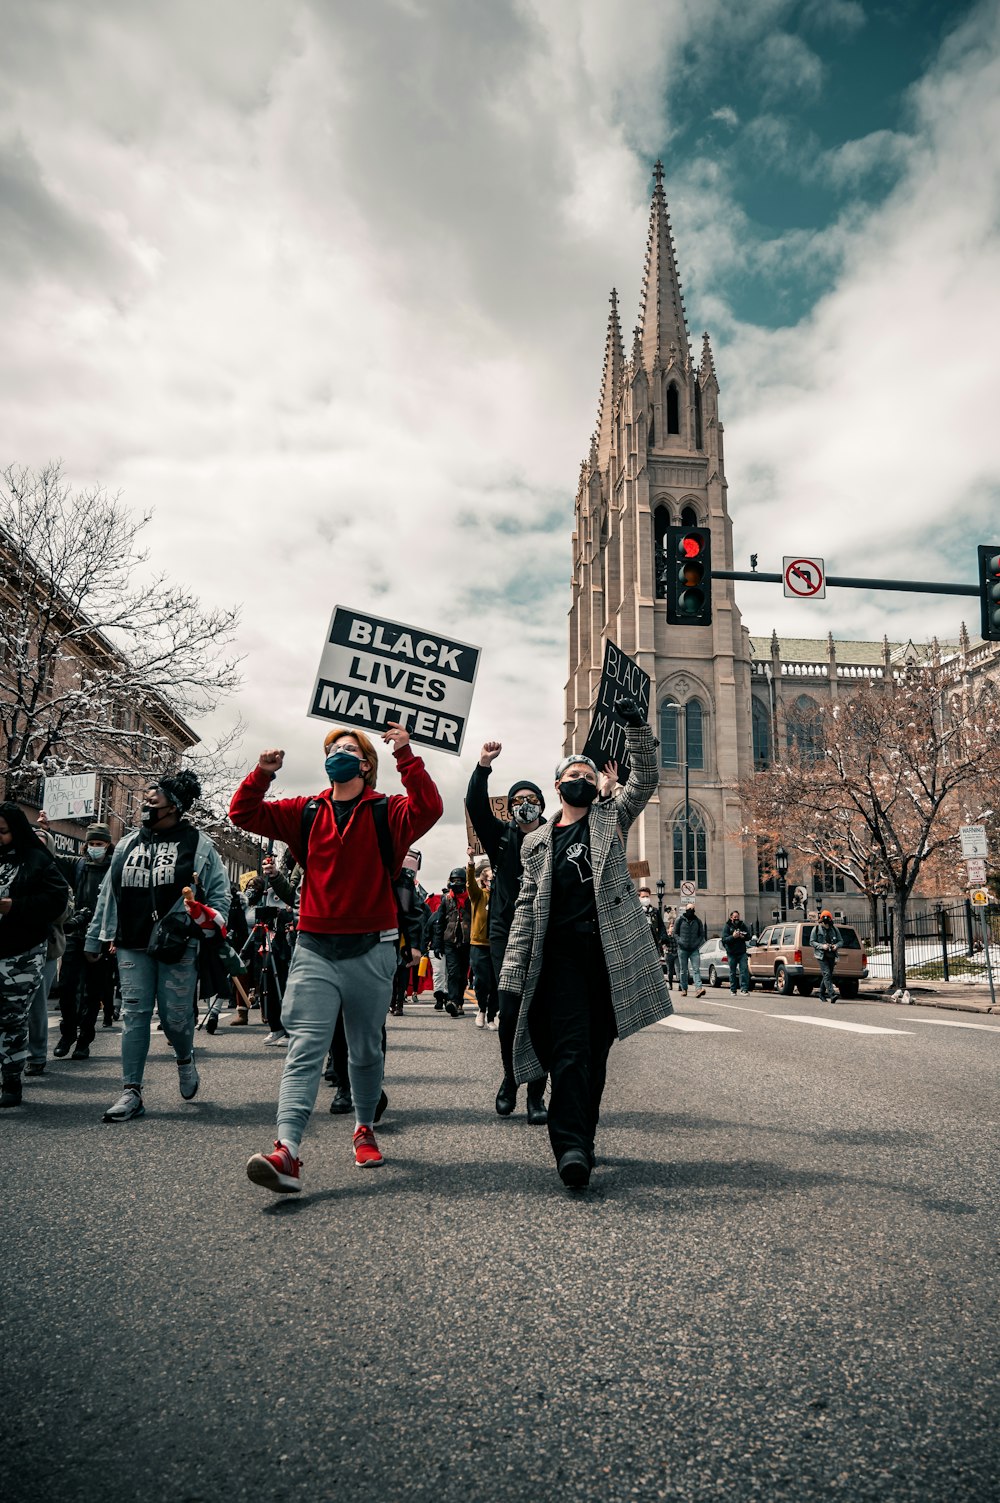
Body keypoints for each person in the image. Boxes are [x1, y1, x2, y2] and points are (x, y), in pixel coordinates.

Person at [233, 722, 442, 1194]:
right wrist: (262, 774)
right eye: (332, 750)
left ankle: (364, 1127)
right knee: (304, 1047)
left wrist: (406, 755)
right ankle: (287, 1151)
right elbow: (243, 813)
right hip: (314, 947)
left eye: (348, 750)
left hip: (372, 947)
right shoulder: (305, 810)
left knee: (365, 1049)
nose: (337, 756)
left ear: (366, 765)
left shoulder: (388, 810)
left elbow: (430, 807)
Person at [498, 698, 674, 1189]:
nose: (581, 776)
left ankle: (584, 1137)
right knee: (571, 1051)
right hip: (559, 960)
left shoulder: (609, 820)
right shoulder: (537, 843)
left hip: (608, 957)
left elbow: (645, 780)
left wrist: (637, 726)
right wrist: (512, 971)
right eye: (572, 771)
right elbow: (526, 907)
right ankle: (570, 1146)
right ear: (558, 785)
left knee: (595, 1054)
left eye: (588, 772)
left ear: (597, 784)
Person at [88, 770, 231, 1123]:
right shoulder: (127, 844)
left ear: (175, 806)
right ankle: (131, 1092)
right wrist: (96, 936)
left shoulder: (198, 845)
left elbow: (219, 896)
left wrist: (210, 919)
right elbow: (109, 893)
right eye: (147, 796)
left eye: (156, 796)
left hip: (177, 946)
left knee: (174, 1019)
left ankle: (184, 1058)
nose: (147, 801)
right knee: (134, 1015)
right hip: (131, 943)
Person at [465, 741, 549, 1124]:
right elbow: (476, 804)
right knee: (511, 1010)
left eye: (531, 799)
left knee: (541, 1015)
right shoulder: (500, 837)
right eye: (517, 800)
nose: (523, 805)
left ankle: (536, 1094)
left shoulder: (555, 837)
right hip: (505, 930)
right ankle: (510, 1078)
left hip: (546, 929)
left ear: (542, 805)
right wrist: (483, 766)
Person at [0, 803, 72, 1108]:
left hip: (22, 952)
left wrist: (14, 906)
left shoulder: (37, 859)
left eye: (2, 832)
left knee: (12, 1019)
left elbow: (56, 901)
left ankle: (11, 1080)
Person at [50, 822, 116, 1059]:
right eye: (92, 844)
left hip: (100, 937)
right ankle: (67, 1034)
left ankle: (84, 1040)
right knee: (66, 987)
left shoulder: (115, 869)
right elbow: (49, 856)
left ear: (108, 845)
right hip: (75, 935)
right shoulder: (78, 866)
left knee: (93, 990)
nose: (95, 848)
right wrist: (45, 830)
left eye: (100, 844)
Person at [431, 867, 473, 1018]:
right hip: (450, 942)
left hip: (467, 942)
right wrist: (437, 944)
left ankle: (459, 1002)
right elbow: (439, 923)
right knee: (453, 972)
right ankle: (453, 1002)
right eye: (453, 880)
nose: (456, 883)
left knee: (462, 974)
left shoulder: (471, 899)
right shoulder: (446, 899)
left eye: (458, 880)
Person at [466, 850, 498, 1029]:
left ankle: (492, 1017)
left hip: (497, 943)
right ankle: (482, 1010)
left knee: (496, 981)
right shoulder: (478, 896)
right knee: (482, 980)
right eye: (490, 879)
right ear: (484, 880)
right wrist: (471, 861)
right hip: (479, 944)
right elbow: (470, 883)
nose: (492, 882)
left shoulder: (500, 896)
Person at [673, 900, 707, 997]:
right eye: (689, 909)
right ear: (686, 910)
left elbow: (701, 935)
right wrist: (680, 942)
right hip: (682, 949)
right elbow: (675, 933)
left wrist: (696, 944)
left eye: (692, 909)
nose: (691, 911)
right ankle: (684, 988)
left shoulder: (698, 921)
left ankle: (698, 989)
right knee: (683, 970)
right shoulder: (679, 920)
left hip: (694, 949)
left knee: (696, 969)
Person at [813, 909, 843, 1004]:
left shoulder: (834, 929)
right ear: (821, 920)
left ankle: (821, 993)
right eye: (824, 922)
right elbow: (812, 942)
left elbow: (841, 941)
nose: (826, 924)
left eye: (827, 921)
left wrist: (836, 946)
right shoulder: (816, 929)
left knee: (828, 975)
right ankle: (832, 994)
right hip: (821, 955)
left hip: (831, 955)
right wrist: (822, 946)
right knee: (827, 974)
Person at [721, 910, 751, 995]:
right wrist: (733, 937)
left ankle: (744, 989)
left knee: (744, 971)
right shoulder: (727, 926)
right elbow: (724, 939)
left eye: (737, 917)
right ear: (731, 918)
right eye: (735, 917)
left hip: (741, 952)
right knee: (732, 972)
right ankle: (733, 990)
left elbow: (749, 936)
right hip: (731, 953)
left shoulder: (742, 925)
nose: (736, 919)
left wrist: (743, 936)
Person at [637, 886, 668, 956]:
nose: (646, 899)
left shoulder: (655, 911)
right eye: (643, 897)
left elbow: (661, 926)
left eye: (647, 897)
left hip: (654, 942)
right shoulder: (635, 912)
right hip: (640, 944)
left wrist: (663, 938)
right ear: (638, 898)